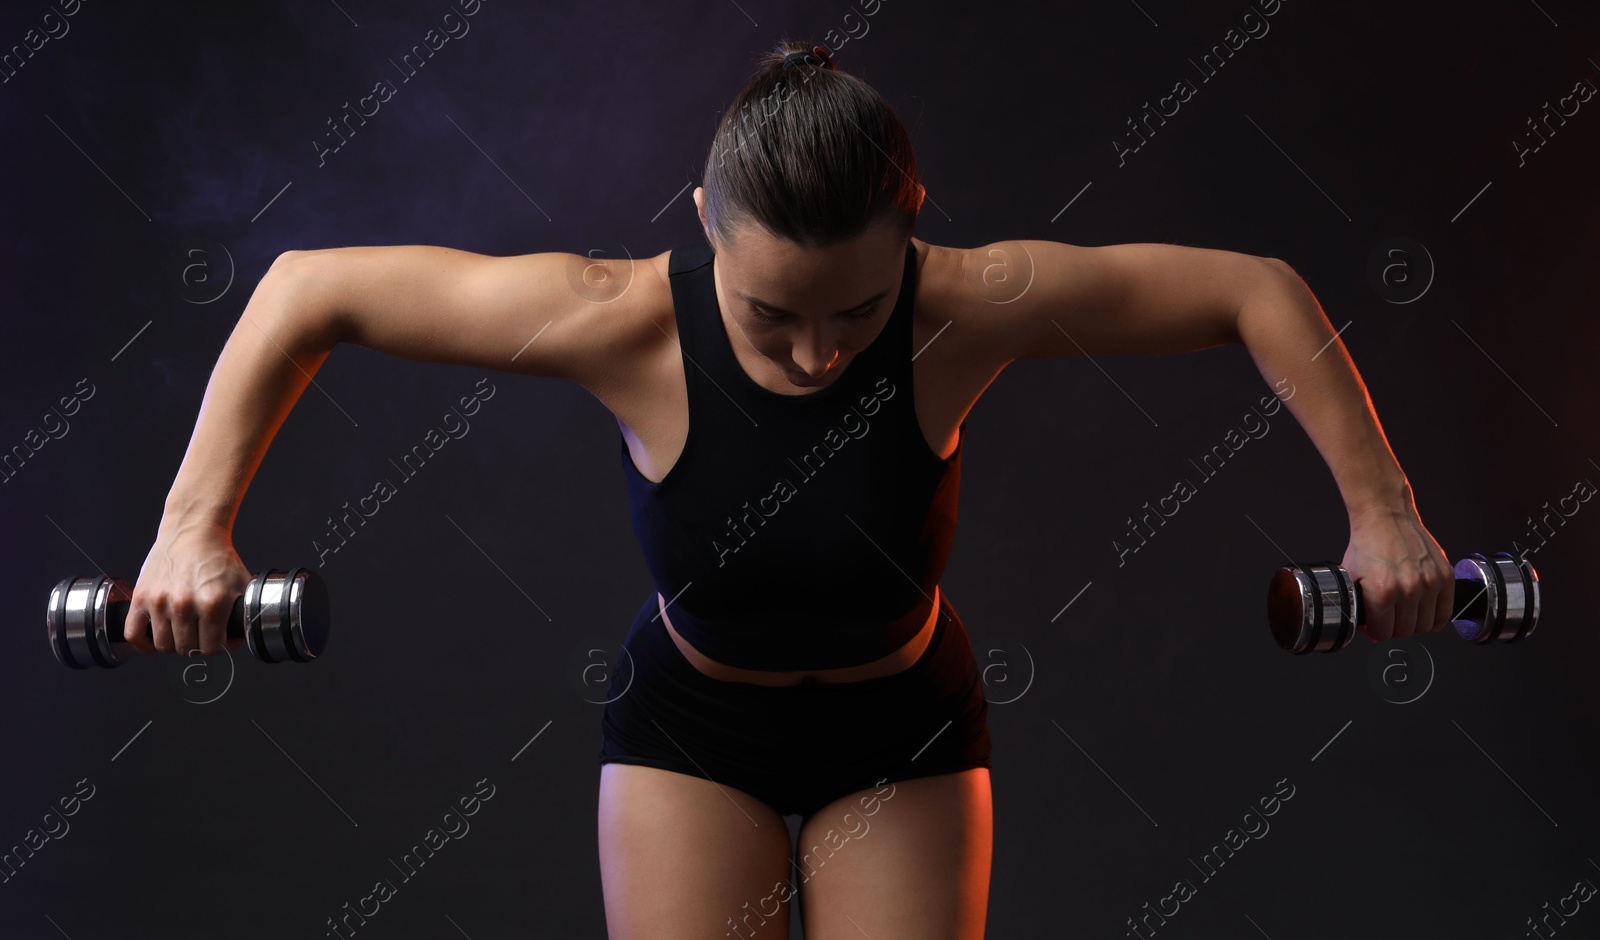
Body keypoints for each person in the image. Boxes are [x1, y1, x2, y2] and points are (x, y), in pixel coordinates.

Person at [122, 38, 1458, 940]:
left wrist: (1384, 514)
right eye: (772, 320)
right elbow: (308, 290)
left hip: (907, 737)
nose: (820, 352)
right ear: (705, 230)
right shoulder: (615, 320)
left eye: (856, 313)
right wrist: (195, 529)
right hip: (694, 733)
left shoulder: (967, 309)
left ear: (912, 233)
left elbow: (1254, 291)